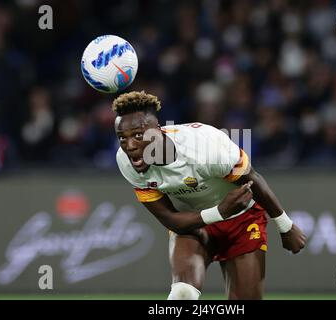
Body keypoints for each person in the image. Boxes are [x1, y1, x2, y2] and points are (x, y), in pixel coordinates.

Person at [113, 91, 306, 300]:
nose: (130, 146)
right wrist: (218, 212)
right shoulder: (125, 161)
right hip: (192, 225)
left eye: (139, 135)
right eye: (123, 138)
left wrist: (285, 226)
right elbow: (170, 219)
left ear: (158, 131)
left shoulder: (206, 146)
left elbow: (254, 179)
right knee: (183, 294)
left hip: (242, 220)